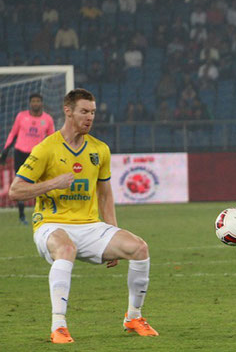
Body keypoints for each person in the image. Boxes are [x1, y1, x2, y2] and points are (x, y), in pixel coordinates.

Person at [8, 89, 158, 343]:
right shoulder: (46, 149)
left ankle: (134, 316)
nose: (90, 117)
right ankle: (58, 326)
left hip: (90, 226)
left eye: (93, 112)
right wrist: (52, 183)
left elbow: (105, 195)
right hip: (50, 224)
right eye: (84, 111)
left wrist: (113, 231)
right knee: (66, 248)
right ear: (68, 111)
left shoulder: (100, 150)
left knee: (139, 248)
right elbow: (15, 191)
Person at [1, 93, 55, 224]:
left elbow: (52, 139)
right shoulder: (21, 116)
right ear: (30, 103)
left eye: (38, 101)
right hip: (20, 153)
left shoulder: (48, 119)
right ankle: (21, 216)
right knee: (20, 183)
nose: (35, 103)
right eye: (33, 101)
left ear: (41, 103)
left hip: (36, 155)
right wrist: (5, 151)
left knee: (40, 183)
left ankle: (41, 212)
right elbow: (13, 133)